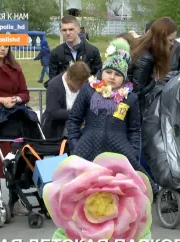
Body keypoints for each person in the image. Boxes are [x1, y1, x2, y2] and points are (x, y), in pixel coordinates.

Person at [67, 40, 157, 193]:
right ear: (102, 72)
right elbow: (74, 120)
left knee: (120, 192)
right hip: (88, 146)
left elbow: (134, 129)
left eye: (117, 74)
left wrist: (134, 151)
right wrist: (75, 143)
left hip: (120, 149)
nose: (112, 77)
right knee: (82, 190)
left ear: (124, 78)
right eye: (108, 72)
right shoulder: (88, 91)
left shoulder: (130, 97)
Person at [130, 17, 178, 109]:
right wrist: (154, 81)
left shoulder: (147, 52)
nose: (172, 44)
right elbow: (137, 92)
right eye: (170, 40)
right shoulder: (145, 58)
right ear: (161, 39)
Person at [41, 62, 91, 138]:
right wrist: (78, 114)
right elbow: (53, 112)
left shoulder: (85, 83)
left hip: (76, 132)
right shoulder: (54, 86)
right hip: (56, 133)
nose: (82, 87)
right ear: (69, 77)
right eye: (79, 84)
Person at [48, 16, 102, 81]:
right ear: (61, 32)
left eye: (71, 29)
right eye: (64, 30)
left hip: (87, 90)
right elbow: (53, 81)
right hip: (64, 90)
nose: (68, 33)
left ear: (78, 30)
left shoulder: (92, 51)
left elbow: (99, 76)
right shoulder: (56, 53)